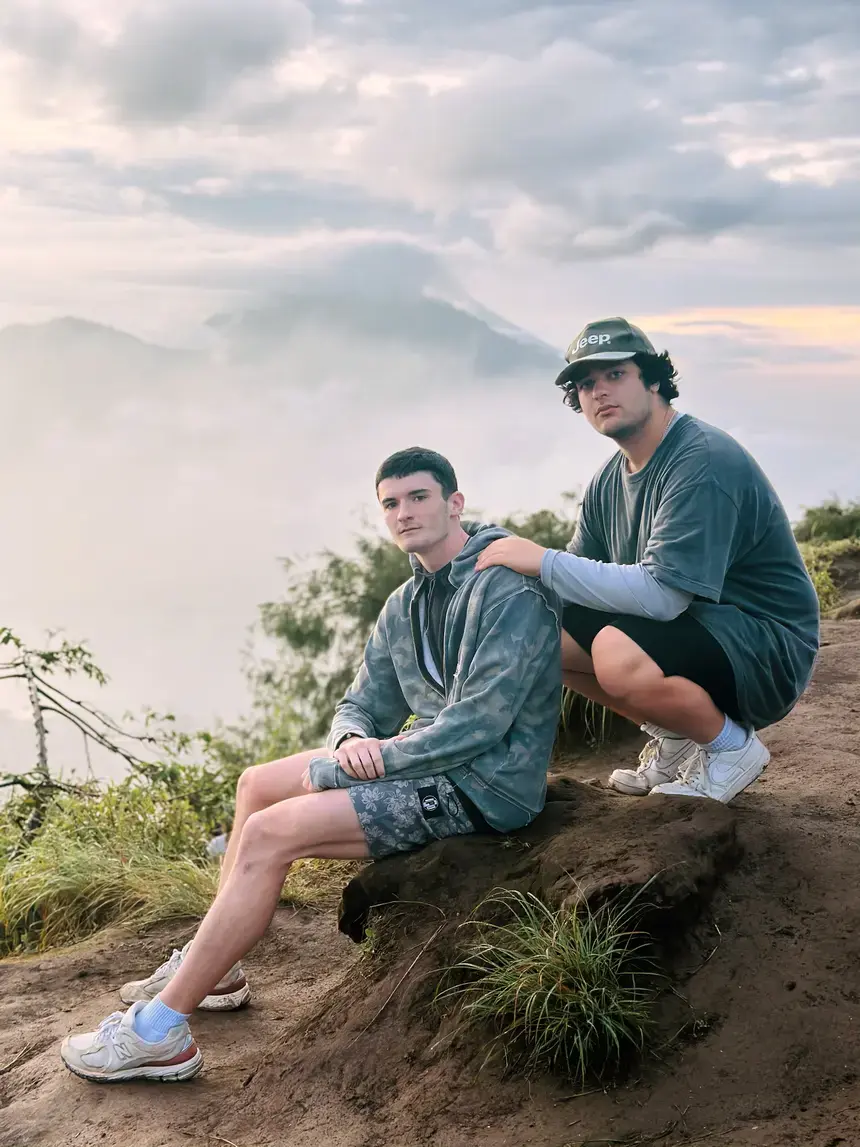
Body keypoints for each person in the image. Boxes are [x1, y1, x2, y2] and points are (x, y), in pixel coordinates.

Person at [60, 447, 561, 1084]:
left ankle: (159, 1033)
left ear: (454, 503)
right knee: (256, 785)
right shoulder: (404, 604)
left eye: (419, 497)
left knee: (269, 834)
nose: (404, 513)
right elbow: (362, 703)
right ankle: (220, 968)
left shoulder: (508, 589)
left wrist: (362, 764)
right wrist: (350, 739)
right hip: (431, 760)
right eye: (391, 503)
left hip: (485, 785)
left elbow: (480, 725)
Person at [476, 316, 820, 803]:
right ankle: (678, 734)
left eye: (616, 375)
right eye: (586, 384)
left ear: (654, 380)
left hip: (766, 647)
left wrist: (542, 560)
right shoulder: (608, 479)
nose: (599, 391)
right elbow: (576, 587)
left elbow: (663, 597)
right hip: (699, 627)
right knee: (541, 634)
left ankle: (730, 749)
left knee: (616, 653)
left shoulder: (701, 459)